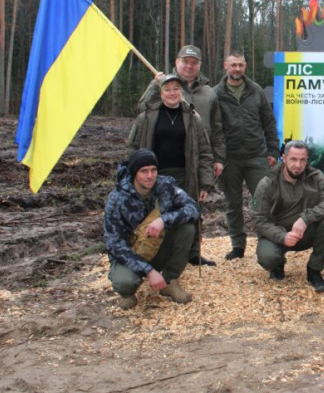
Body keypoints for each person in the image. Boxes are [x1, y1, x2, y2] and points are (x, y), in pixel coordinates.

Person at [129, 73, 215, 267]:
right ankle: (154, 254)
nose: (172, 93)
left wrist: (205, 183)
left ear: (181, 92)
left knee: (191, 213)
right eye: (167, 89)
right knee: (155, 215)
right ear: (161, 93)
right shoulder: (147, 117)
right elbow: (132, 148)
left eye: (176, 89)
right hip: (155, 176)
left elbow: (205, 152)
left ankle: (193, 254)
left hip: (186, 175)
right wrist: (134, 175)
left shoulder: (193, 118)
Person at [104, 149, 199, 309]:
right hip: (131, 254)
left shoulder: (166, 185)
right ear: (134, 173)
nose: (150, 176)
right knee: (125, 283)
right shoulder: (117, 199)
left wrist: (163, 220)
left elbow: (193, 208)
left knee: (187, 229)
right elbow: (115, 245)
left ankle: (169, 281)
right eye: (144, 171)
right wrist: (149, 271)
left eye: (153, 170)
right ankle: (128, 292)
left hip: (157, 246)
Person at [213, 50, 280, 260]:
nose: (237, 69)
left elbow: (268, 121)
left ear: (245, 66)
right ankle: (238, 246)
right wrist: (217, 157)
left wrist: (273, 150)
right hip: (229, 158)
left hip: (256, 155)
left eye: (240, 65)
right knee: (232, 204)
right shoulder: (216, 93)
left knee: (263, 202)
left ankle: (266, 243)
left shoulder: (256, 90)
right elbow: (213, 128)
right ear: (226, 66)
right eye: (233, 65)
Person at [250, 140, 324, 292]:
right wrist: (282, 236)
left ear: (307, 160)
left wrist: (306, 219)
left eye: (302, 160)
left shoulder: (316, 177)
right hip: (278, 234)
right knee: (268, 258)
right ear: (284, 158)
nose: (298, 165)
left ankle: (314, 270)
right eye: (293, 159)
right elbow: (258, 219)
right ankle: (277, 264)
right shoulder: (268, 183)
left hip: (306, 232)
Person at [138, 45, 226, 177]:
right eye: (185, 62)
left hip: (199, 161)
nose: (189, 66)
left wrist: (219, 159)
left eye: (194, 63)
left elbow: (217, 129)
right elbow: (142, 110)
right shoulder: (162, 85)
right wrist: (155, 87)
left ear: (200, 65)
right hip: (164, 162)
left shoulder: (209, 93)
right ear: (177, 62)